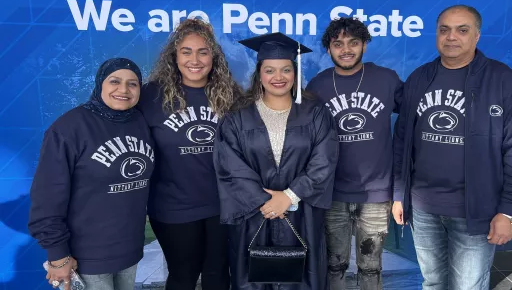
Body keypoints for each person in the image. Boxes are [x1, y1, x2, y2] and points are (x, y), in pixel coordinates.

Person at [392, 5, 512, 290]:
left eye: (462, 30)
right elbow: (402, 139)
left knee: (468, 286)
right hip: (423, 207)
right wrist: (399, 194)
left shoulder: (501, 79)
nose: (451, 37)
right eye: (444, 29)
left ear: (477, 36)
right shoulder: (420, 77)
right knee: (433, 282)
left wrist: (507, 212)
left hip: (476, 210)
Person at [213, 32, 340, 290]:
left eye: (286, 70)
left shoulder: (315, 113)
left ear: (295, 73)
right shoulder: (238, 117)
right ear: (259, 73)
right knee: (254, 278)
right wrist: (266, 201)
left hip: (301, 213)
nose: (278, 77)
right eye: (270, 70)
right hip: (254, 215)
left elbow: (324, 160)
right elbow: (229, 165)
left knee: (302, 278)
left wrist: (290, 196)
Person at [28, 58, 154, 290]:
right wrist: (58, 255)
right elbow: (47, 198)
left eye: (133, 84)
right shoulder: (70, 128)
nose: (123, 90)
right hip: (86, 256)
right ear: (100, 84)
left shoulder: (140, 122)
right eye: (114, 81)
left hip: (129, 250)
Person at [136, 18, 241, 290]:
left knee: (218, 274)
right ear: (174, 56)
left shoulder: (231, 95)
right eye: (186, 51)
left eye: (203, 52)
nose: (195, 59)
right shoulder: (151, 96)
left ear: (213, 57)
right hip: (173, 206)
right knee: (184, 274)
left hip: (223, 205)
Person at [305, 17, 403, 289]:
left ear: (364, 45)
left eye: (353, 42)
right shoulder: (319, 85)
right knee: (334, 264)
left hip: (376, 192)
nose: (346, 49)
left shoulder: (386, 79)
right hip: (332, 192)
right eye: (338, 44)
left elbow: (414, 120)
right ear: (329, 49)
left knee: (370, 267)